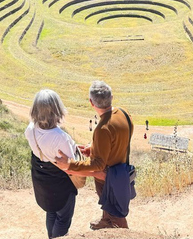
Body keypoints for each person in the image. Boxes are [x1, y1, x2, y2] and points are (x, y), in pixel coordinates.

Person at [55, 80, 134, 230]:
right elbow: (121, 138)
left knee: (116, 212)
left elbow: (98, 165)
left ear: (91, 102)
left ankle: (122, 233)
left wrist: (70, 164)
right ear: (112, 97)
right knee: (108, 204)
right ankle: (106, 221)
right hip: (121, 170)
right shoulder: (124, 113)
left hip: (109, 178)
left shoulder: (103, 128)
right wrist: (94, 148)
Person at [24, 89, 78, 239]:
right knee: (63, 218)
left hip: (42, 181)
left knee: (51, 211)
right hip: (60, 184)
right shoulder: (61, 137)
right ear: (56, 110)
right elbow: (71, 163)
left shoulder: (30, 130)